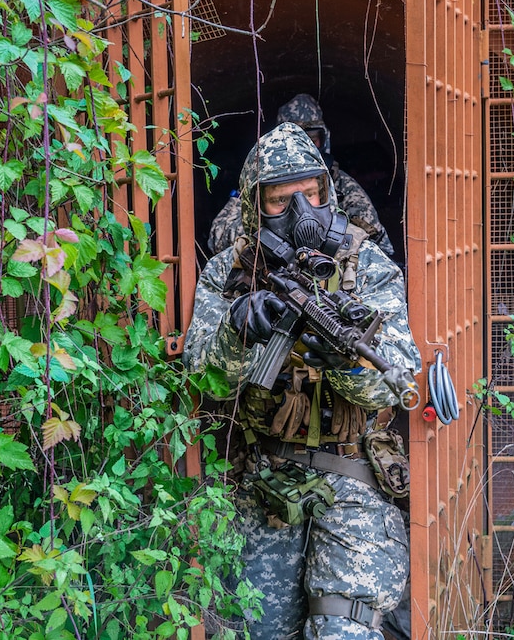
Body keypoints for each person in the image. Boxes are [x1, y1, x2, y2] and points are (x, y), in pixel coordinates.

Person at [184, 123, 420, 640]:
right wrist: (238, 331)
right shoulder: (230, 269)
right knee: (254, 630)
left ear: (326, 190)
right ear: (253, 203)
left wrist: (345, 362)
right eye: (279, 199)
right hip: (263, 474)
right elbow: (203, 376)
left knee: (345, 630)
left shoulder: (366, 262)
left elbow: (395, 379)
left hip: (354, 475)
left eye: (310, 194)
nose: (301, 213)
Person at [207, 94, 395, 257]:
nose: (301, 149)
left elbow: (377, 246)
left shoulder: (340, 184)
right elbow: (219, 240)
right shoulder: (259, 185)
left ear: (323, 140)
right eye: (280, 197)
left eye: (311, 140)